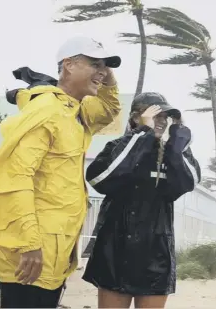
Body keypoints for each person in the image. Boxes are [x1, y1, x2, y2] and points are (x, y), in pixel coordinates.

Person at [0, 36, 121, 308]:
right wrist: (28, 243)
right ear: (68, 65)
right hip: (33, 252)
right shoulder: (47, 111)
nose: (102, 72)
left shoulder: (75, 110)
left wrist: (106, 71)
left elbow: (109, 110)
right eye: (93, 63)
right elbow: (13, 178)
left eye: (104, 66)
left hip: (54, 249)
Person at [82, 92, 201, 309]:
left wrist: (177, 142)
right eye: (155, 115)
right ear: (136, 117)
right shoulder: (119, 147)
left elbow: (187, 182)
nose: (161, 121)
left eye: (166, 116)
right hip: (115, 252)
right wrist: (142, 134)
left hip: (155, 254)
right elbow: (99, 178)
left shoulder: (172, 155)